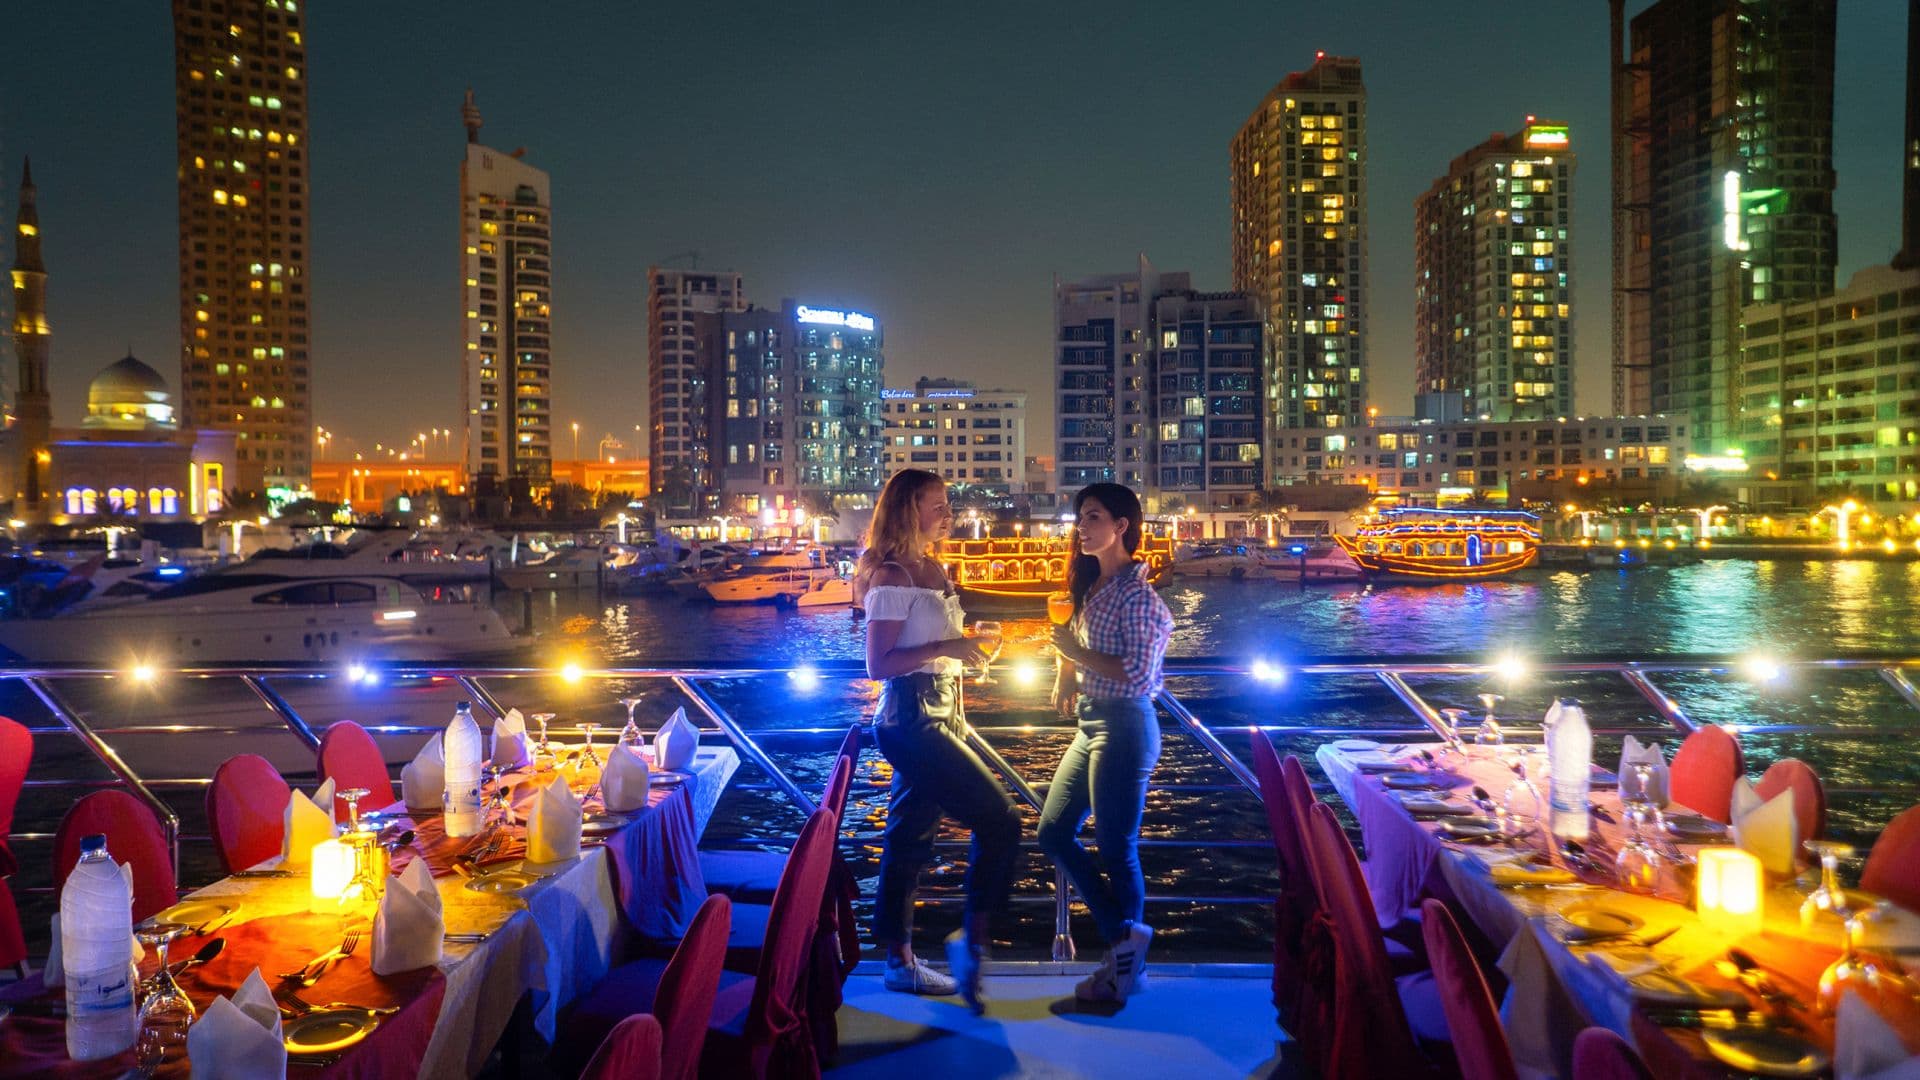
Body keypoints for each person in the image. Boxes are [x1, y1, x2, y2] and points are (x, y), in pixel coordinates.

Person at [854, 469, 1020, 1014]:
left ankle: (899, 963)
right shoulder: (892, 574)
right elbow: (879, 665)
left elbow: (937, 645)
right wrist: (949, 644)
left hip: (945, 709)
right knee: (1000, 820)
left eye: (948, 503)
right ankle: (972, 943)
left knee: (908, 837)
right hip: (910, 719)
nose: (948, 512)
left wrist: (965, 652)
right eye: (938, 504)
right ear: (908, 509)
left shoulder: (934, 568)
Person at [1041, 482, 1174, 1004]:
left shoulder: (1139, 596)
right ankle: (1125, 942)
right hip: (1092, 723)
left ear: (1121, 526)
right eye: (1080, 517)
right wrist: (1067, 671)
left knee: (1117, 849)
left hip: (1124, 725)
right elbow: (1084, 647)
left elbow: (1140, 676)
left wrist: (1074, 652)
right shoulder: (1094, 586)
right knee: (1053, 832)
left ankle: (1122, 963)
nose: (1082, 526)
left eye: (1093, 517)